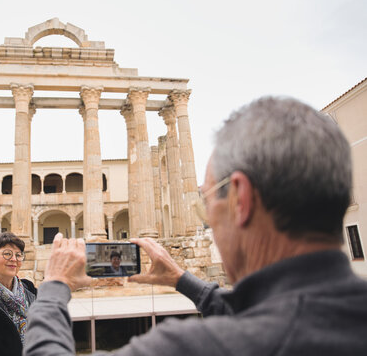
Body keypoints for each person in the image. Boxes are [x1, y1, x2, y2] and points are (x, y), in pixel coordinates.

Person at [24, 96, 367, 355]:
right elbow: (267, 309)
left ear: (240, 200)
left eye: (207, 201)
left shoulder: (194, 347)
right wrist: (181, 280)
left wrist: (54, 286)